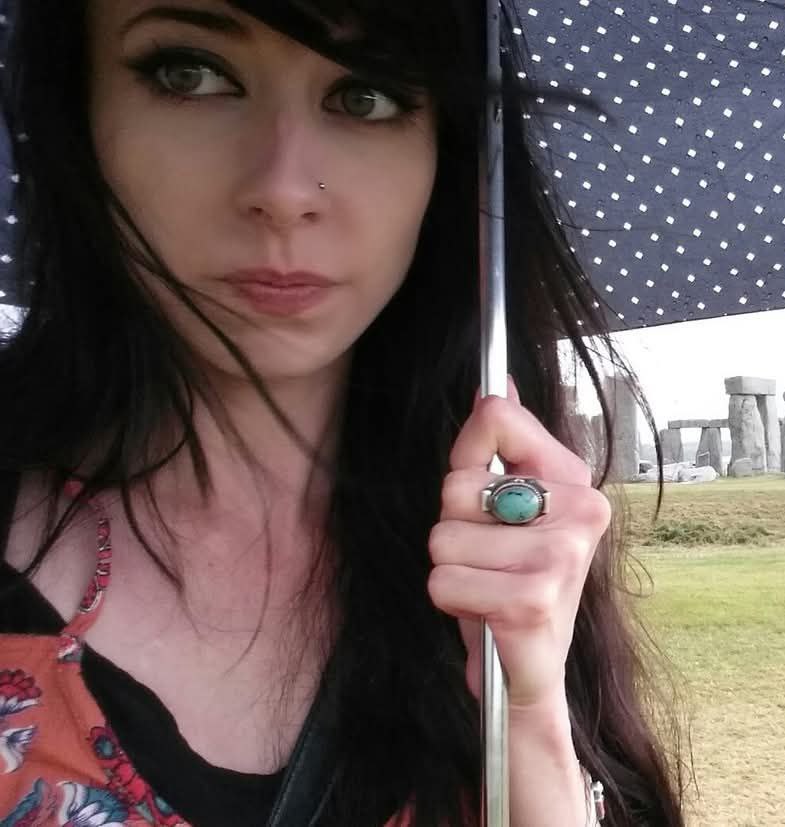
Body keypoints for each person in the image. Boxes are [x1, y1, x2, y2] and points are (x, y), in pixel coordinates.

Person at [0, 2, 685, 825]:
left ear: (449, 157)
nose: (285, 191)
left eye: (370, 94)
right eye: (190, 73)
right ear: (77, 110)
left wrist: (533, 718)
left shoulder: (496, 557)